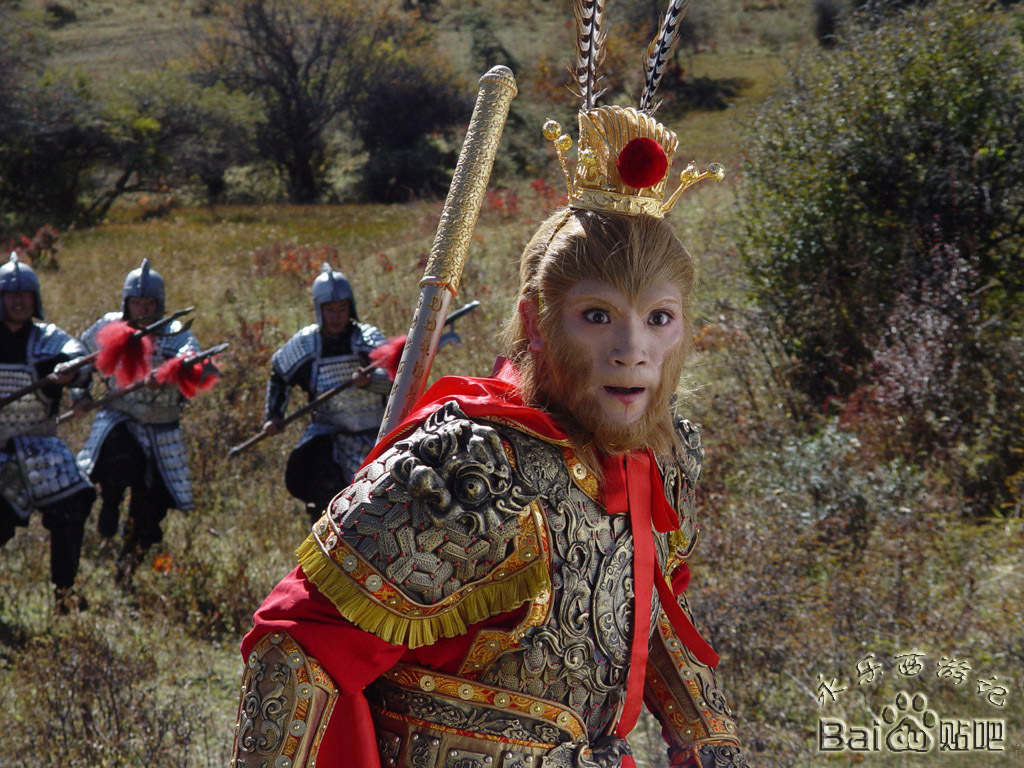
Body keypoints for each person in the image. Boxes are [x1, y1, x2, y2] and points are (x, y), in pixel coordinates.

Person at [232, 5, 749, 765]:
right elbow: (298, 648)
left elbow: (651, 612)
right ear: (535, 323)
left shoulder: (666, 454)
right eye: (597, 316)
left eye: (660, 317)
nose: (633, 351)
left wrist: (709, 737)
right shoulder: (468, 462)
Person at [75, 258, 200, 582]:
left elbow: (194, 362)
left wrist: (172, 371)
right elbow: (78, 360)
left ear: (159, 304)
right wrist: (80, 394)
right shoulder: (109, 326)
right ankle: (110, 500)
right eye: (136, 302)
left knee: (151, 508)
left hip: (163, 428)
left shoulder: (176, 334)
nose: (143, 309)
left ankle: (127, 568)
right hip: (121, 416)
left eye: (149, 303)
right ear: (126, 303)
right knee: (115, 461)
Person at [0, 254, 96, 612]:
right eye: (10, 294)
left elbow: (77, 358)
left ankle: (64, 594)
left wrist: (69, 374)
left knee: (73, 504)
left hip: (41, 447)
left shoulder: (50, 338)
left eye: (25, 294)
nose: (19, 301)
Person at [262, 263, 392, 524]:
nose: (336, 316)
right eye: (330, 310)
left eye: (341, 309)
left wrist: (369, 383)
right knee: (321, 492)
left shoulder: (368, 339)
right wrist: (273, 416)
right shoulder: (307, 343)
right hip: (327, 434)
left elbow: (397, 378)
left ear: (350, 307)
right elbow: (279, 373)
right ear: (319, 310)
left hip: (373, 435)